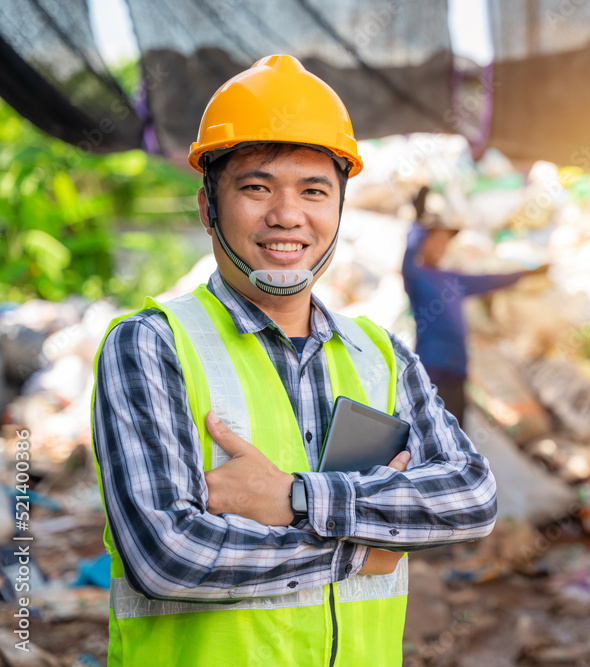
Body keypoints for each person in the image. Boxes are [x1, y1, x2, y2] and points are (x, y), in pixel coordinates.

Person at [91, 55, 497, 667]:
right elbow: (168, 555)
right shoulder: (151, 345)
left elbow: (470, 498)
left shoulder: (380, 354)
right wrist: (357, 550)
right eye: (256, 187)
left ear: (338, 209)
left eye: (314, 190)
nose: (287, 214)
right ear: (208, 208)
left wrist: (298, 499)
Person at [402, 187, 546, 427]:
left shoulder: (454, 279)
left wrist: (528, 273)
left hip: (458, 369)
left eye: (444, 240)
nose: (440, 245)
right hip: (432, 367)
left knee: (455, 432)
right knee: (432, 430)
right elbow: (408, 255)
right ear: (424, 243)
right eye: (434, 239)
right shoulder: (416, 276)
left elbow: (491, 280)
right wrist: (418, 221)